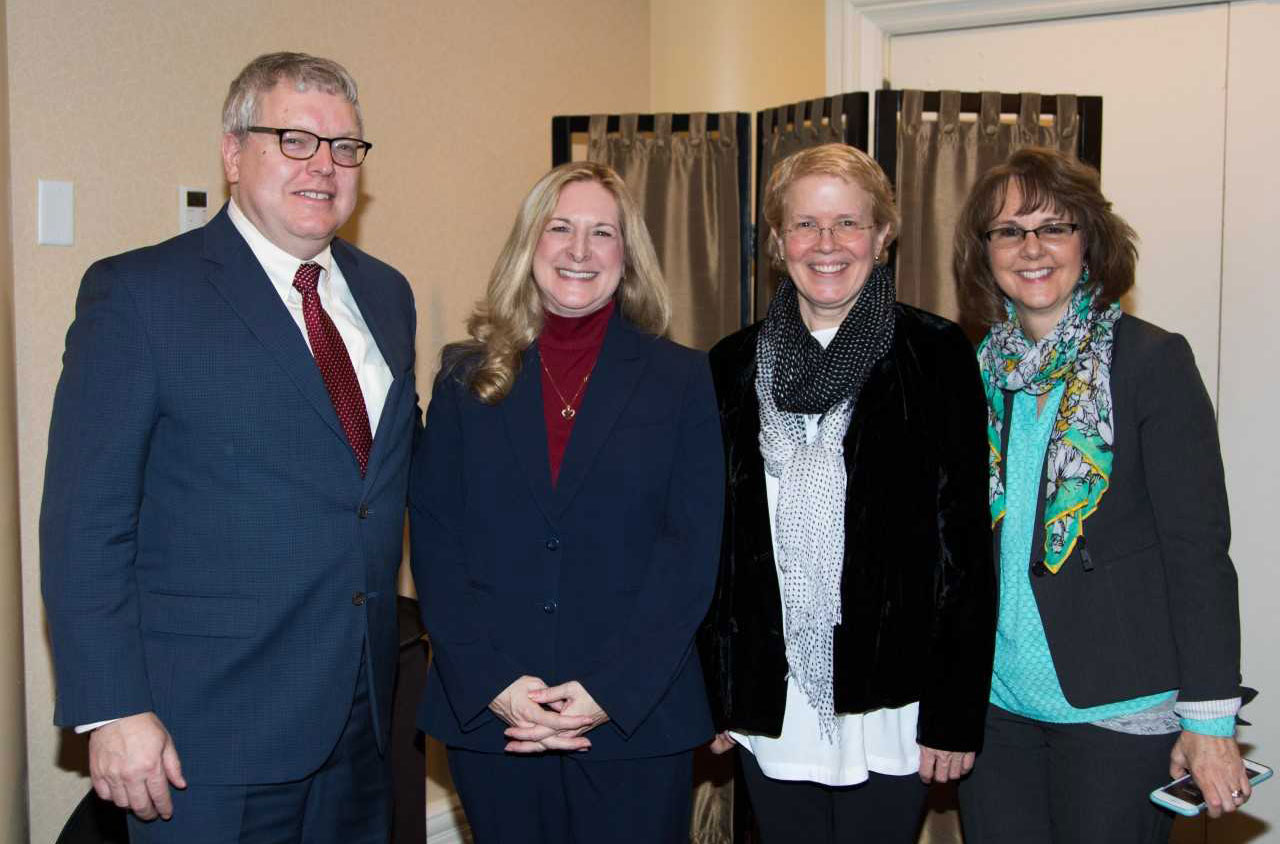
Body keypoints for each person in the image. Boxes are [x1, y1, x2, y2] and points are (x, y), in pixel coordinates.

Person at [40, 52, 417, 842]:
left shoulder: (385, 294)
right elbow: (85, 522)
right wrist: (112, 709)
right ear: (232, 152)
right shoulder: (141, 296)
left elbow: (373, 487)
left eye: (345, 146)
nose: (325, 166)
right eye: (295, 140)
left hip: (362, 722)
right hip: (206, 733)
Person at [410, 160, 723, 843]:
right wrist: (497, 684)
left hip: (634, 719)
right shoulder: (466, 376)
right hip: (497, 717)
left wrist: (608, 690)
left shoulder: (684, 380)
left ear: (627, 254)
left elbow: (690, 554)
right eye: (560, 228)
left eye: (602, 233)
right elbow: (436, 540)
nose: (580, 251)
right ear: (530, 245)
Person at [697, 142, 996, 843]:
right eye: (805, 224)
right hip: (772, 697)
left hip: (890, 700)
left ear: (884, 235)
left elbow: (965, 546)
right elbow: (711, 550)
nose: (826, 244)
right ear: (776, 241)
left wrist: (954, 712)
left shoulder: (936, 353)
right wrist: (712, 694)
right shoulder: (730, 365)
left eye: (849, 224)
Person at [952, 147, 1249, 842]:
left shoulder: (1151, 362)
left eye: (1054, 226)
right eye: (1009, 230)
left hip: (1118, 712)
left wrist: (1209, 720)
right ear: (984, 252)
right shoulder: (970, 374)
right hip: (995, 713)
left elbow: (1197, 549)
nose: (1031, 248)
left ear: (1089, 241)